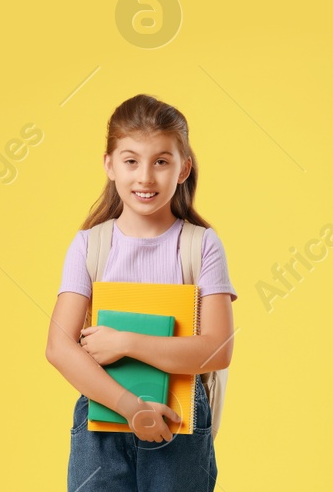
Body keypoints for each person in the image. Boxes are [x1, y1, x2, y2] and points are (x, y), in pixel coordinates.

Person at [45, 94, 237, 491]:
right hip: (102, 418)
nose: (145, 177)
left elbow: (218, 348)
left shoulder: (200, 245)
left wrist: (126, 342)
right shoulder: (89, 245)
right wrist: (132, 409)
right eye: (131, 161)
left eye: (161, 161)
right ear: (109, 165)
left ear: (183, 168)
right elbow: (58, 348)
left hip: (178, 421)